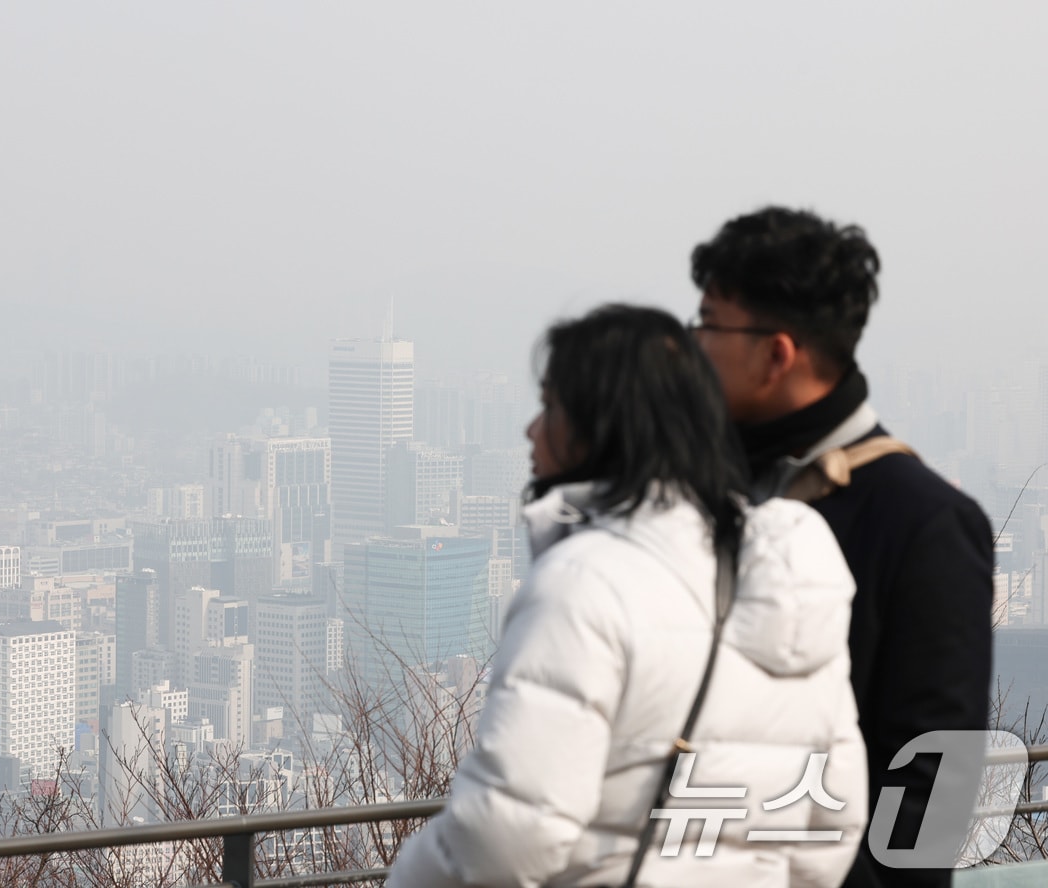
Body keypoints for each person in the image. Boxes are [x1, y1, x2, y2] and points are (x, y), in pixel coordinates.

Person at [387, 305, 867, 888]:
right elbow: (835, 819)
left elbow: (506, 839)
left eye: (551, 407)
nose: (532, 429)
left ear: (600, 425)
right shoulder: (792, 568)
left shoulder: (584, 582)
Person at [689, 206, 994, 887]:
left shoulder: (922, 522)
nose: (695, 348)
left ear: (777, 354)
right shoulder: (706, 491)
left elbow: (933, 790)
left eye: (709, 324)